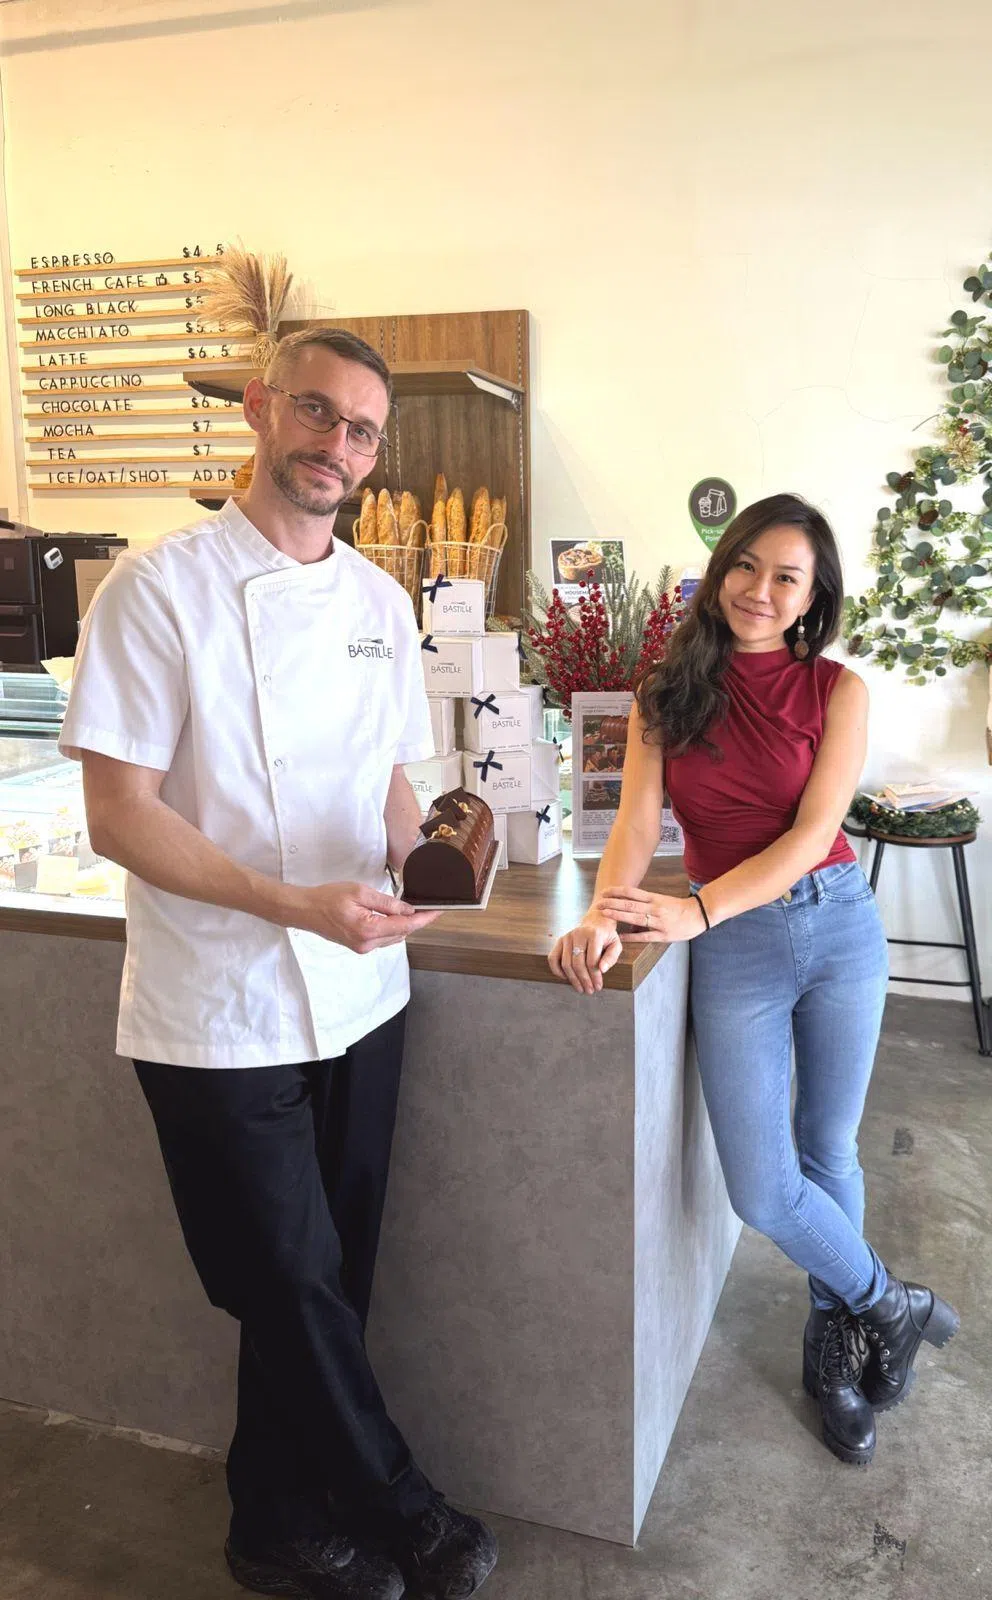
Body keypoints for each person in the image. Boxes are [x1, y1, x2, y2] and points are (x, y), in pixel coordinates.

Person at [59, 326, 499, 1599]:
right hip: (218, 1002)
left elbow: (385, 778)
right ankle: (398, 1503)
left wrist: (424, 859)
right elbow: (119, 817)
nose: (335, 445)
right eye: (315, 412)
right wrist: (288, 904)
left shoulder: (375, 601)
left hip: (362, 988)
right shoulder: (156, 589)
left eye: (360, 431)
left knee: (325, 1278)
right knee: (290, 1277)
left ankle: (271, 1524)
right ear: (260, 408)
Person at [550, 493, 959, 1468]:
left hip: (837, 927)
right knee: (763, 1188)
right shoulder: (664, 693)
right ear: (719, 569)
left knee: (828, 1149)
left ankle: (834, 1352)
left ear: (812, 597)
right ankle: (889, 1304)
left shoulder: (837, 690)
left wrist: (695, 911)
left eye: (787, 577)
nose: (760, 590)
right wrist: (603, 911)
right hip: (736, 948)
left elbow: (816, 835)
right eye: (746, 566)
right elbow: (634, 822)